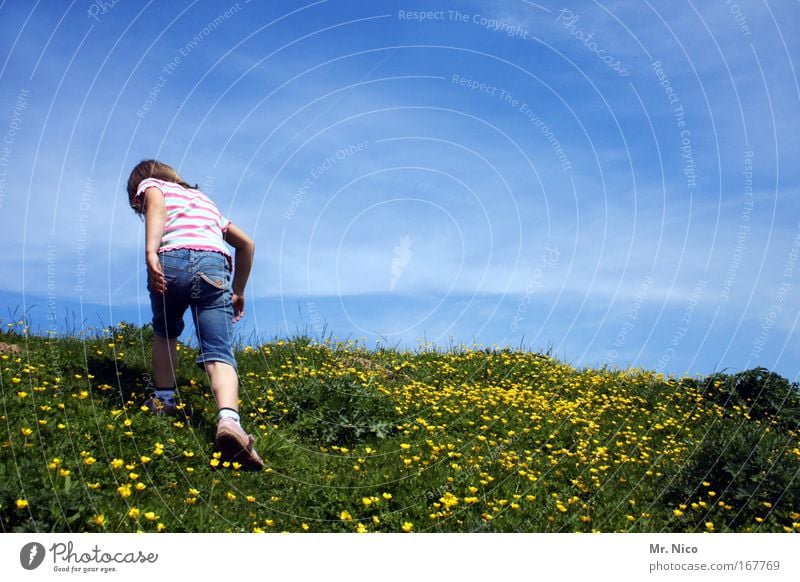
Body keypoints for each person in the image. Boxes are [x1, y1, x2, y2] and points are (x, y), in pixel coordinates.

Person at [126, 159, 263, 470]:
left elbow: (157, 206)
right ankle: (229, 421)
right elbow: (247, 244)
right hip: (213, 265)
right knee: (219, 351)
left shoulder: (152, 186)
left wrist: (150, 252)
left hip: (171, 260)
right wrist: (238, 290)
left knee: (166, 331)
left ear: (139, 187)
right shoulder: (205, 202)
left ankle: (164, 399)